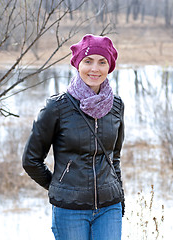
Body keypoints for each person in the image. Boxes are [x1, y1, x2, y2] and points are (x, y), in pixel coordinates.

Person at [22, 34, 125, 240]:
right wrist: (58, 187)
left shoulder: (116, 106)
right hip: (70, 210)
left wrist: (120, 195)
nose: (94, 69)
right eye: (88, 61)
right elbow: (31, 160)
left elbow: (114, 157)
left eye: (102, 62)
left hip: (109, 207)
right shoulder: (57, 107)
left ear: (109, 67)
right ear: (78, 64)